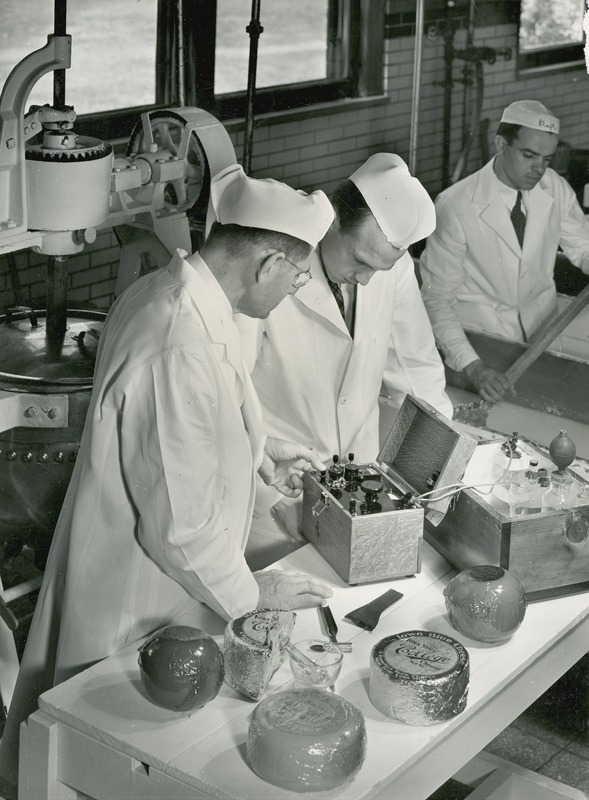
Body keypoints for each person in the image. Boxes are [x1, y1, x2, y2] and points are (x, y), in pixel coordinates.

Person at [0, 164, 335, 793]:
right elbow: (180, 528)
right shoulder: (179, 335)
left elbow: (205, 421)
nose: (296, 288)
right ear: (264, 263)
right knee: (112, 757)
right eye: (296, 275)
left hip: (164, 579)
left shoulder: (183, 295)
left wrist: (265, 455)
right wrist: (252, 595)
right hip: (141, 593)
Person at [236, 153, 452, 544]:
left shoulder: (390, 264)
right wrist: (261, 469)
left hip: (357, 481)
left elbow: (414, 365)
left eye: (379, 270)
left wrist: (443, 460)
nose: (366, 281)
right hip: (276, 486)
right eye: (359, 260)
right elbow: (227, 384)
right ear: (333, 218)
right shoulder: (274, 252)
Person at [420, 99, 589, 402]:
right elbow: (437, 299)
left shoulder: (555, 188)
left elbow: (583, 247)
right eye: (529, 155)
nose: (539, 169)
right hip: (481, 343)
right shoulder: (455, 205)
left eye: (547, 159)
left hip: (542, 334)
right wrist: (472, 367)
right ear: (501, 144)